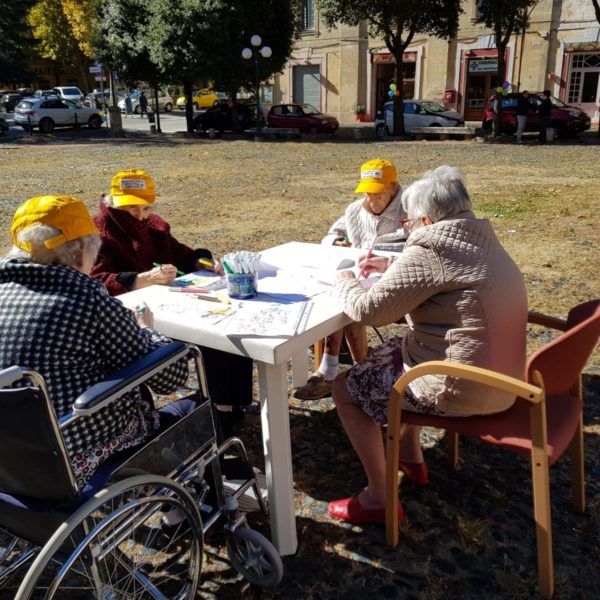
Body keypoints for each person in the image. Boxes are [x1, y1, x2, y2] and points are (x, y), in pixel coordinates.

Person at [325, 166, 528, 525]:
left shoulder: (432, 245)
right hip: (505, 376)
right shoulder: (479, 235)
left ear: (425, 218)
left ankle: (378, 495)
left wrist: (343, 280)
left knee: (345, 387)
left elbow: (369, 311)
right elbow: (439, 277)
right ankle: (412, 458)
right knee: (402, 350)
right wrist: (391, 263)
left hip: (461, 385)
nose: (407, 230)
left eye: (408, 224)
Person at [0, 195, 194, 488]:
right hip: (75, 453)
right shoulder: (86, 303)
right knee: (192, 409)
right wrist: (146, 330)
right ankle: (185, 511)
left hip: (12, 455)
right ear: (80, 254)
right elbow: (171, 379)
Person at [90, 169, 253, 434]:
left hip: (169, 302)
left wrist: (202, 261)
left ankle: (231, 403)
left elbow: (181, 253)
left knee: (227, 324)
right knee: (210, 337)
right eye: (132, 209)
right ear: (113, 204)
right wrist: (142, 278)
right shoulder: (98, 233)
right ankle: (219, 410)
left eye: (145, 207)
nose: (140, 215)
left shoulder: (154, 225)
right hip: (135, 315)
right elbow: (97, 280)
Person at [294, 158, 407, 401]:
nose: (371, 199)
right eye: (367, 193)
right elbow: (333, 233)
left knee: (349, 298)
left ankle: (333, 369)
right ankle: (356, 372)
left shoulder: (410, 209)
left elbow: (419, 253)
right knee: (343, 294)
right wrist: (335, 241)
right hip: (361, 279)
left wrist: (389, 261)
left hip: (398, 283)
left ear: (394, 187)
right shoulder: (356, 210)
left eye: (378, 194)